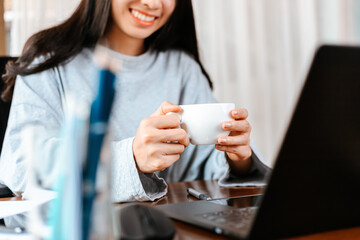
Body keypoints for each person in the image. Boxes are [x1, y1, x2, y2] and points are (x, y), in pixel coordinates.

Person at [0, 0, 269, 202]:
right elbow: (22, 165)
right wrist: (131, 158)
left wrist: (240, 159)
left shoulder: (181, 68)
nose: (152, 3)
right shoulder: (50, 63)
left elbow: (207, 166)